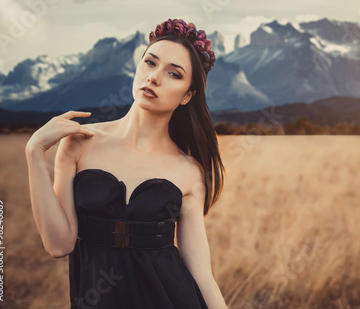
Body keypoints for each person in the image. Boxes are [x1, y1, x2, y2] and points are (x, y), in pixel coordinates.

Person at [25, 18, 228, 308]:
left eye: (173, 74)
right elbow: (59, 245)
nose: (154, 77)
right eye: (150, 62)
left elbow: (201, 274)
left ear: (187, 96)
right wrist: (33, 152)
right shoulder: (80, 142)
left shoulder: (189, 171)